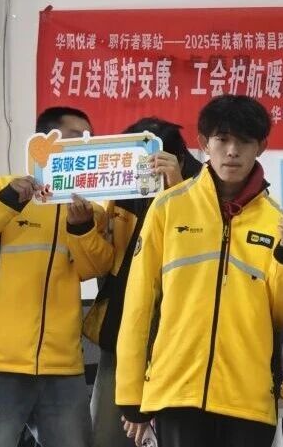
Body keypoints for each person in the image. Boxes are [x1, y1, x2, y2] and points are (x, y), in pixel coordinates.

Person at [116, 95, 283, 447]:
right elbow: (138, 305)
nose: (232, 151)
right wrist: (130, 393)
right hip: (176, 392)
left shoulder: (280, 222)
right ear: (203, 143)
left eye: (244, 141)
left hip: (248, 399)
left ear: (261, 147)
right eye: (222, 139)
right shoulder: (169, 207)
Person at [0, 106, 113, 447]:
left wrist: (80, 228)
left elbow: (95, 268)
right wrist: (7, 201)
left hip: (62, 365)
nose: (84, 145)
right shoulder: (4, 188)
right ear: (44, 141)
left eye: (88, 139)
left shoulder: (91, 208)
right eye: (74, 137)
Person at [85, 117, 201, 447]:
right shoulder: (119, 195)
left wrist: (176, 188)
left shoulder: (204, 191)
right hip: (123, 335)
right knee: (106, 436)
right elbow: (103, 260)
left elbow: (198, 251)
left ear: (179, 160)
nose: (141, 169)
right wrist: (82, 225)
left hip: (180, 344)